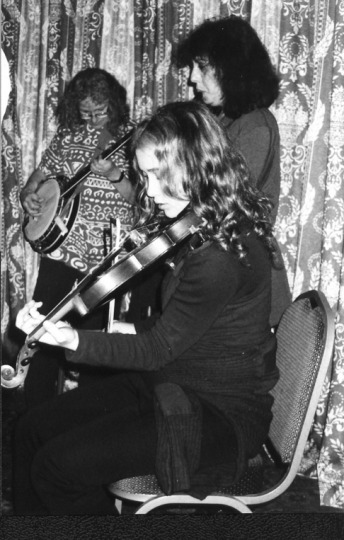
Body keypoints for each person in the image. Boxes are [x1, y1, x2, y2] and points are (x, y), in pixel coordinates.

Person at [14, 101, 280, 516]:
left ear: (196, 165)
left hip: (216, 411)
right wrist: (129, 330)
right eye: (145, 176)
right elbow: (191, 325)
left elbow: (158, 349)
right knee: (32, 429)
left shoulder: (220, 255)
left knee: (56, 468)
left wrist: (72, 338)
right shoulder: (205, 223)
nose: (150, 192)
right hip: (175, 380)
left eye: (158, 175)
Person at [19, 68, 138, 406]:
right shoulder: (68, 136)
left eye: (99, 111)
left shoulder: (133, 138)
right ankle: (35, 406)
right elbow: (39, 177)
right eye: (86, 112)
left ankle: (84, 410)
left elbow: (139, 199)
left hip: (105, 253)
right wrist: (29, 194)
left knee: (93, 339)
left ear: (114, 104)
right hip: (61, 248)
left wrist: (114, 173)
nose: (93, 118)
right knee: (43, 327)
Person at [176, 15, 291, 326]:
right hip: (226, 270)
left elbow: (223, 206)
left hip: (242, 279)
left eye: (202, 67)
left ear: (232, 70)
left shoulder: (254, 126)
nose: (192, 78)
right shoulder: (225, 122)